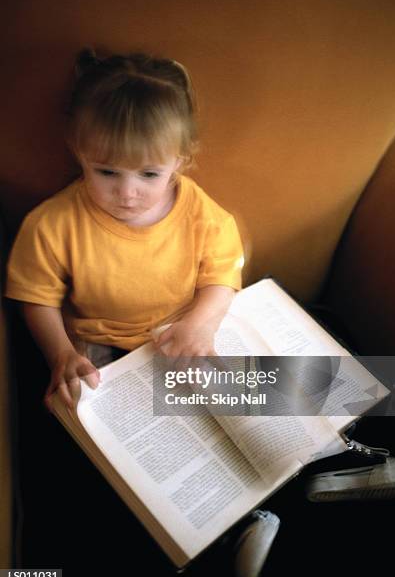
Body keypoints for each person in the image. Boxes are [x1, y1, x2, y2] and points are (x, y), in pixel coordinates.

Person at [4, 48, 245, 412]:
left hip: (180, 330)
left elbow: (222, 277)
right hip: (96, 343)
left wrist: (199, 324)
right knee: (85, 409)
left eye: (149, 174)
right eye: (106, 171)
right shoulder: (51, 224)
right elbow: (36, 298)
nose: (127, 193)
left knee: (234, 400)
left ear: (180, 160)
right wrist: (61, 355)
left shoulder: (203, 216)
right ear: (78, 151)